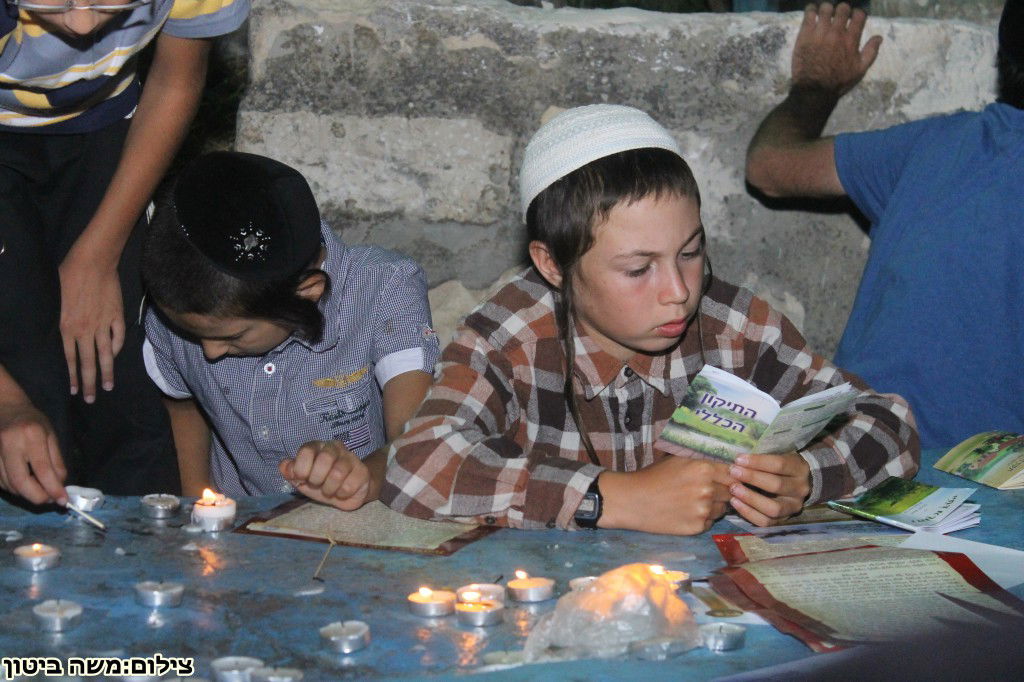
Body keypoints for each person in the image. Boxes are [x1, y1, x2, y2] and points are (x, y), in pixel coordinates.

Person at [381, 104, 919, 534]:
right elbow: (415, 464)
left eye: (691, 252)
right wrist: (612, 497)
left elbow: (889, 422)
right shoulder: (510, 337)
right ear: (552, 265)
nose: (679, 292)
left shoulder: (734, 326)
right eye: (638, 269)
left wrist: (806, 476)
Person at [0, 0, 249, 506]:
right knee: (26, 362)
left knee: (120, 373)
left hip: (105, 125)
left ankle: (139, 542)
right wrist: (6, 404)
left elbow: (175, 80)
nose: (82, 24)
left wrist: (97, 256)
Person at [745, 1, 1024, 449]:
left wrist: (816, 85)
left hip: (852, 453)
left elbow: (770, 165)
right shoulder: (941, 146)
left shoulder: (940, 146)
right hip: (979, 476)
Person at [142, 151, 439, 510]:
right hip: (240, 519)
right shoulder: (181, 310)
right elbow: (185, 406)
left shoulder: (385, 289)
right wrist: (199, 509)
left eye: (231, 337)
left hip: (358, 522)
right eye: (191, 335)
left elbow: (415, 436)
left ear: (308, 292)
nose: (209, 352)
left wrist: (363, 477)